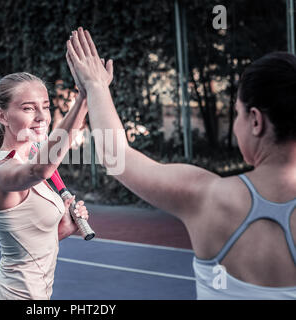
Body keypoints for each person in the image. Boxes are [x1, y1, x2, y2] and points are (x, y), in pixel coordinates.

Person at [66, 27, 296, 299]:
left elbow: (116, 157)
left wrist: (96, 86)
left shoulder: (206, 196)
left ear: (256, 121)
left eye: (237, 113)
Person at [0, 72, 94, 300]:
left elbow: (29, 249)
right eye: (28, 108)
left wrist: (65, 227)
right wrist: (83, 100)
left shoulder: (29, 167)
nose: (41, 117)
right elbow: (40, 169)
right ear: (3, 116)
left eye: (45, 107)